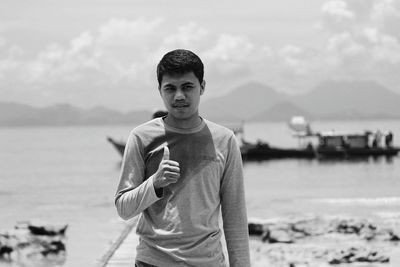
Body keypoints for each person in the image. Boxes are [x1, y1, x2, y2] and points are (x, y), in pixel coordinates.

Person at [115, 49, 250, 267]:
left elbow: (235, 216)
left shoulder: (225, 140)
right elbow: (123, 208)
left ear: (202, 87)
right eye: (170, 88)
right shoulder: (141, 137)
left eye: (187, 87)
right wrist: (155, 184)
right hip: (153, 262)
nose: (179, 96)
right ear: (160, 90)